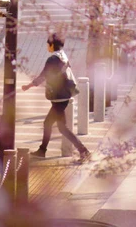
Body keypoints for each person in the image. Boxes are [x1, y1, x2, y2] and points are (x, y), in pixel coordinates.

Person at [22, 32, 91, 161]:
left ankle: (83, 151)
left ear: (52, 45)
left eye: (48, 44)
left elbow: (43, 75)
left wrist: (29, 86)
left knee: (56, 126)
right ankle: (42, 150)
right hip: (63, 95)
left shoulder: (53, 59)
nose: (47, 46)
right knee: (58, 126)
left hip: (59, 97)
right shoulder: (62, 56)